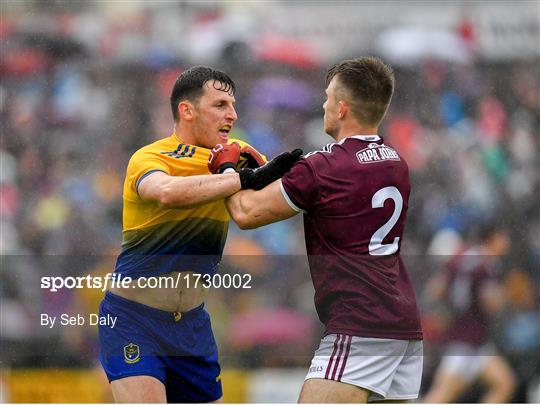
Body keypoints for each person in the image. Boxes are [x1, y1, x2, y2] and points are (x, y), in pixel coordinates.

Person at [209, 56, 423, 403]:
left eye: (326, 98)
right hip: (403, 325)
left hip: (360, 325)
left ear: (341, 108)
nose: (322, 105)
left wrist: (226, 168)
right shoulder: (396, 162)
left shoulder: (324, 166)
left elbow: (246, 213)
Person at [98, 65, 301, 403]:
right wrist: (242, 179)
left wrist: (307, 182)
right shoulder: (151, 156)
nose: (232, 114)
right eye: (220, 105)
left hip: (191, 324)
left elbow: (249, 212)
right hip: (133, 318)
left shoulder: (236, 157)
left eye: (233, 105)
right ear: (187, 110)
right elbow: (165, 191)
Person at [422, 224, 516, 403]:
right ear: (492, 238)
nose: (507, 242)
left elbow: (435, 289)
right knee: (440, 397)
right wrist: (506, 296)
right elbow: (491, 304)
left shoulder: (463, 258)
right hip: (466, 343)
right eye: (503, 238)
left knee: (504, 382)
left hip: (475, 342)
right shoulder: (487, 265)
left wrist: (450, 308)